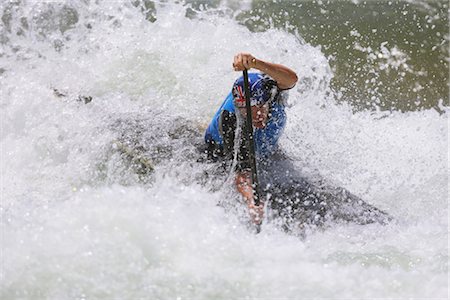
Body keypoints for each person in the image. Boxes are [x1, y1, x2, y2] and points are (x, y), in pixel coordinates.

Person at [204, 53, 298, 225]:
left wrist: (255, 63)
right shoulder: (232, 122)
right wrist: (252, 202)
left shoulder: (271, 89)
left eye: (260, 109)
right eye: (249, 112)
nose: (257, 117)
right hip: (220, 147)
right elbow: (242, 174)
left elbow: (292, 78)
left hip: (263, 146)